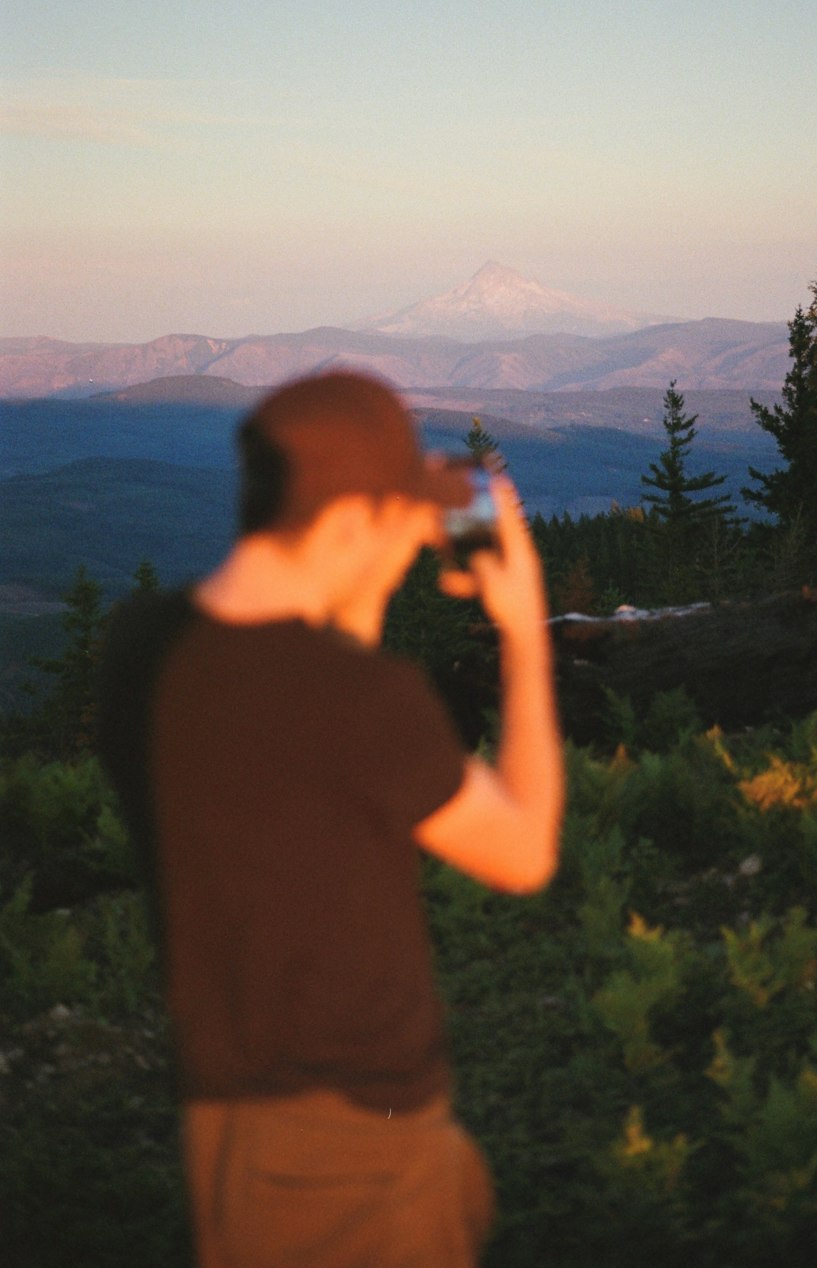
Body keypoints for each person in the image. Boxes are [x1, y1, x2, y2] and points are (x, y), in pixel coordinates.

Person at [95, 370, 564, 1268]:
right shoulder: (364, 703)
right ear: (349, 523)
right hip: (352, 1146)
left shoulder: (142, 648)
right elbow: (524, 851)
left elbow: (303, 699)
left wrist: (367, 577)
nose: (404, 547)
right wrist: (526, 632)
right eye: (392, 524)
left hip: (232, 1121)